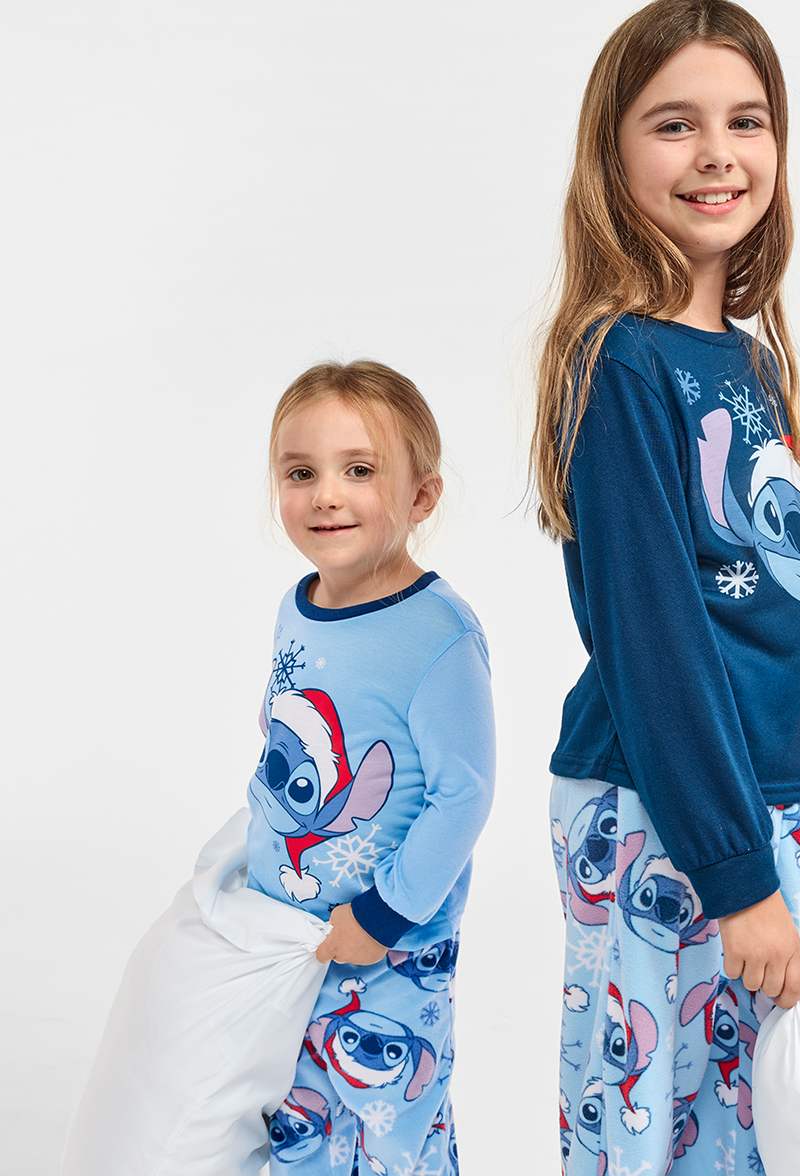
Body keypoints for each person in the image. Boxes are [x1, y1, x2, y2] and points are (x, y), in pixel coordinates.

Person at [530, 2, 800, 1171]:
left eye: (748, 121)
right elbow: (657, 640)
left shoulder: (748, 358)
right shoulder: (621, 363)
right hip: (662, 816)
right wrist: (735, 877)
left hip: (762, 810)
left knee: (758, 1125)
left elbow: (784, 618)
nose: (719, 153)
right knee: (652, 1127)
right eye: (675, 124)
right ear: (613, 155)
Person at [248, 360, 494, 1175]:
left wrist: (384, 917)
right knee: (296, 1121)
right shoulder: (299, 603)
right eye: (300, 472)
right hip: (290, 935)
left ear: (421, 497)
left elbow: (463, 794)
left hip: (388, 943)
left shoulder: (437, 635)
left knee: (390, 1128)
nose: (326, 495)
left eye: (359, 471)